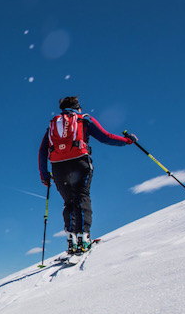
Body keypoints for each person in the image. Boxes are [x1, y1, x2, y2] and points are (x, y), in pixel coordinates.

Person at [38, 96, 137, 255]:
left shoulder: (52, 125)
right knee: (81, 197)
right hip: (80, 163)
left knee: (69, 202)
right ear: (77, 107)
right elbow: (106, 137)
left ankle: (72, 241)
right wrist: (127, 140)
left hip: (58, 168)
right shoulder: (83, 119)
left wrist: (44, 175)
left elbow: (42, 151)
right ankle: (84, 238)